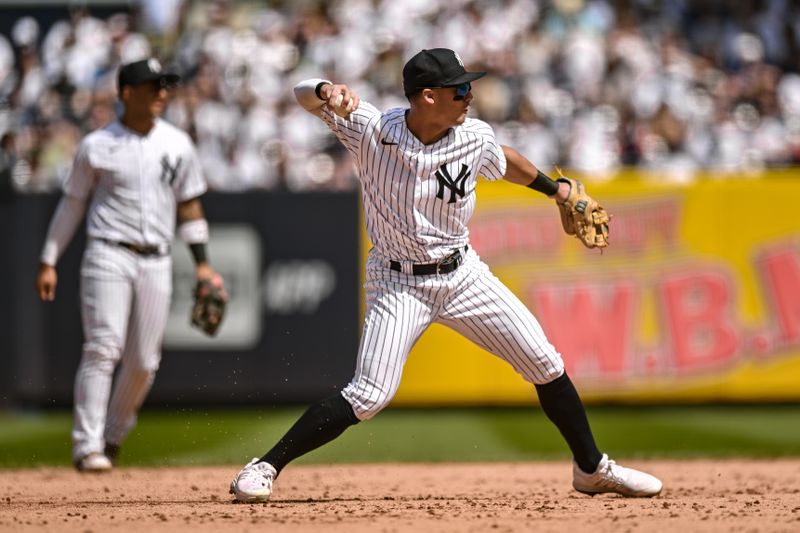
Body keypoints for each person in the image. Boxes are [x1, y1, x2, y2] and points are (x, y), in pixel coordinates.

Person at [229, 48, 662, 501]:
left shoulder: (472, 136)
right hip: (398, 282)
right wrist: (324, 90)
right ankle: (265, 466)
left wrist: (556, 191)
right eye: (460, 89)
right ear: (428, 97)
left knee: (545, 363)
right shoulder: (372, 129)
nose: (470, 95)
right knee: (368, 395)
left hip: (463, 275)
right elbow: (303, 96)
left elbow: (504, 159)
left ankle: (591, 469)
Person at [36, 58, 223, 472]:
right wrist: (49, 259)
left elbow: (189, 207)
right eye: (152, 86)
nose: (161, 93)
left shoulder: (177, 143)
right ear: (126, 93)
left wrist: (204, 267)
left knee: (144, 362)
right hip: (108, 253)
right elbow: (72, 205)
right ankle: (87, 446)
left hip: (157, 258)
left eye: (164, 86)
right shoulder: (97, 145)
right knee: (103, 347)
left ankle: (112, 436)